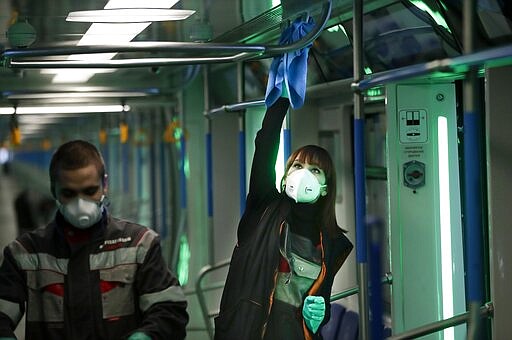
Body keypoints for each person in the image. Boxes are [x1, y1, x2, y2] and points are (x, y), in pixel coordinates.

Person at [0, 140, 188, 340]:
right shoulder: (27, 253)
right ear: (54, 190)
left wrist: (147, 336)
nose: (81, 203)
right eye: (69, 193)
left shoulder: (139, 245)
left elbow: (170, 310)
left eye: (90, 191)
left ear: (104, 185)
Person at [213, 94, 354, 340]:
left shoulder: (331, 243)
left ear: (324, 187)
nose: (303, 174)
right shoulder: (263, 207)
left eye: (315, 170)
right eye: (297, 166)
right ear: (286, 175)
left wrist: (319, 316)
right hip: (246, 331)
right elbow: (265, 144)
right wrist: (282, 98)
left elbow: (322, 301)